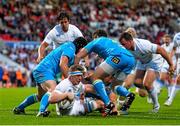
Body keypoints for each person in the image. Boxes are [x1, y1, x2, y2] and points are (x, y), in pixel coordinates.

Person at [13, 37, 88, 115]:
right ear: (80, 47)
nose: (83, 53)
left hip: (42, 69)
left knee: (40, 96)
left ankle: (19, 108)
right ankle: (42, 111)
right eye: (83, 49)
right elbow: (62, 64)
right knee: (52, 89)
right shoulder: (70, 48)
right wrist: (69, 80)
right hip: (45, 70)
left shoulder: (69, 47)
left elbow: (70, 67)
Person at [75, 35, 136, 116]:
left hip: (117, 57)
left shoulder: (94, 42)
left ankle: (108, 104)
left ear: (95, 37)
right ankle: (128, 94)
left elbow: (78, 56)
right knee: (115, 86)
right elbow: (106, 75)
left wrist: (74, 73)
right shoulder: (110, 43)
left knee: (95, 78)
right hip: (131, 59)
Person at [119, 32, 174, 113]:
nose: (123, 46)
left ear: (130, 41)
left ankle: (156, 105)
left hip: (154, 60)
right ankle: (152, 90)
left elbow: (161, 50)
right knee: (137, 83)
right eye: (122, 44)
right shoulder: (125, 48)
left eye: (124, 44)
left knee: (147, 84)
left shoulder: (143, 45)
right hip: (142, 61)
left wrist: (171, 65)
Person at [39, 64, 104, 117]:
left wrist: (82, 98)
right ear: (71, 76)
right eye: (78, 76)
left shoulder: (78, 83)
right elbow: (51, 99)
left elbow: (86, 88)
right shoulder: (65, 84)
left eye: (81, 76)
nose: (80, 78)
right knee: (100, 104)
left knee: (98, 102)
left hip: (75, 104)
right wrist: (66, 95)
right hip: (69, 111)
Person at [164, 32, 180, 106]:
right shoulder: (177, 36)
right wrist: (170, 61)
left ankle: (170, 99)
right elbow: (174, 48)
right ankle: (170, 99)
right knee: (178, 80)